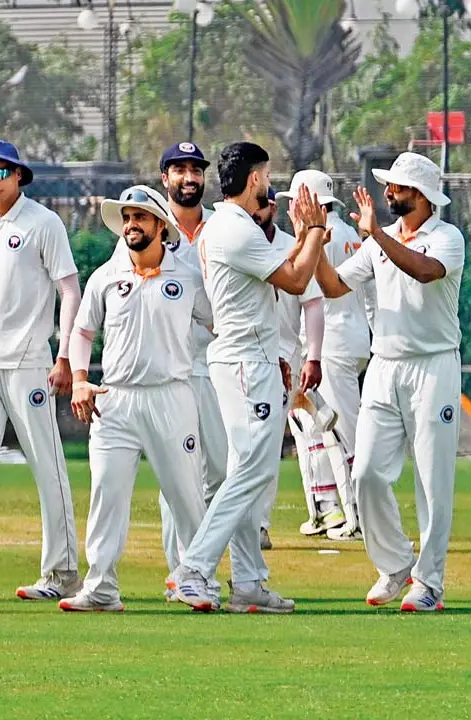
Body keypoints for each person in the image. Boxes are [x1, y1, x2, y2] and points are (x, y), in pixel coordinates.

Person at [170, 142, 328, 614]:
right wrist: (316, 231)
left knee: (247, 470)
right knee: (253, 470)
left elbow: (282, 269)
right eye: (267, 175)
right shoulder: (233, 229)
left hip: (246, 361)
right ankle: (193, 568)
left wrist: (302, 235)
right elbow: (298, 282)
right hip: (244, 363)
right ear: (255, 179)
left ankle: (249, 581)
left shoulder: (230, 226)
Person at [314, 152, 465, 613]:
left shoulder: (447, 237)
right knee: (366, 474)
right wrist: (314, 238)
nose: (387, 194)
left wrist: (376, 234)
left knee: (432, 479)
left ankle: (429, 581)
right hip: (384, 366)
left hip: (434, 366)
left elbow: (424, 271)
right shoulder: (379, 242)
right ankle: (397, 563)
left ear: (418, 195)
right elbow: (335, 285)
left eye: (395, 188)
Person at [61, 186, 214, 613]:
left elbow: (221, 321)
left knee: (186, 495)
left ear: (160, 226)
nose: (131, 225)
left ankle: (197, 579)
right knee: (107, 495)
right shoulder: (107, 277)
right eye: (127, 218)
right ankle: (101, 588)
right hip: (115, 399)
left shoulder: (187, 277)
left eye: (140, 218)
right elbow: (83, 331)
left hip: (171, 396)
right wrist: (78, 379)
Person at [0, 139, 81, 600]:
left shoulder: (45, 223)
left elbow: (69, 290)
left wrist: (65, 355)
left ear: (19, 175)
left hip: (28, 362)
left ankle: (62, 572)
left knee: (49, 467)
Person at [151, 141, 232, 594]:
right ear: (165, 178)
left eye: (195, 171)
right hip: (172, 371)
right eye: (179, 170)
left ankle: (199, 567)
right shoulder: (147, 226)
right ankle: (182, 573)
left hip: (218, 364)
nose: (188, 178)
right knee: (177, 477)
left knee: (220, 474)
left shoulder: (223, 227)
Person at [279, 170, 370, 540]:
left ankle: (359, 516)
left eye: (292, 201)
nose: (288, 208)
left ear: (307, 201)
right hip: (351, 341)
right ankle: (327, 511)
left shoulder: (321, 237)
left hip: (328, 348)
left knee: (340, 434)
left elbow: (300, 286)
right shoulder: (349, 234)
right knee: (316, 430)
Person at [248, 190, 325, 547]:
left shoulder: (286, 245)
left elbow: (311, 303)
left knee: (267, 442)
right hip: (238, 356)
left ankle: (259, 523)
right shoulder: (236, 240)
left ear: (273, 209)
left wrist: (313, 356)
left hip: (282, 358)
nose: (256, 211)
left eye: (262, 205)